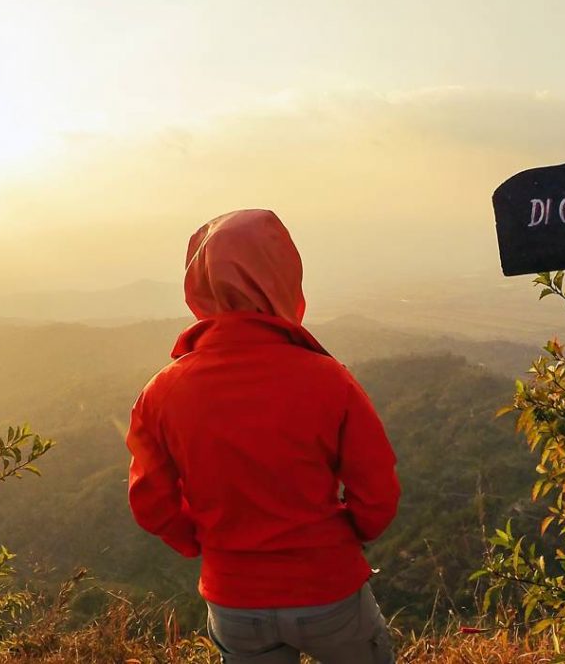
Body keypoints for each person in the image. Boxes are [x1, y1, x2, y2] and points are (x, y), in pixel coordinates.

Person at [126, 208, 400, 663]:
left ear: (198, 285)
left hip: (234, 600)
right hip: (329, 590)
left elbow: (150, 502)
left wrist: (203, 542)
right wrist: (349, 535)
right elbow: (377, 491)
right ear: (284, 276)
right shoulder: (330, 380)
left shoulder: (162, 391)